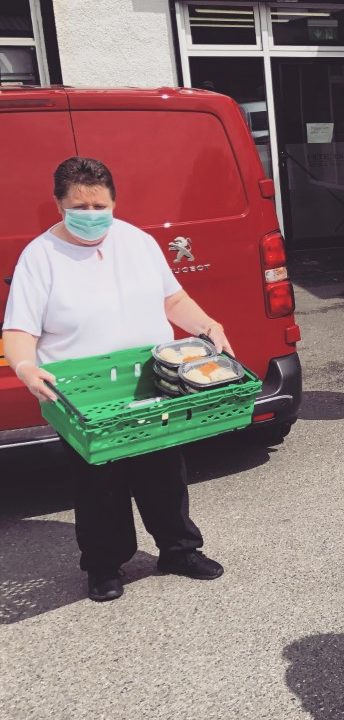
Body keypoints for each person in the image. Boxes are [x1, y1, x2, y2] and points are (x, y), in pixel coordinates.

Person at [2, 157, 228, 602]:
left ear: (114, 202)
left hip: (150, 381)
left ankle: (179, 550)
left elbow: (173, 299)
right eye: (78, 207)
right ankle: (104, 565)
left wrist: (207, 324)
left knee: (164, 470)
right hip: (85, 393)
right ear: (58, 204)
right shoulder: (40, 257)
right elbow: (18, 330)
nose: (90, 215)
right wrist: (25, 366)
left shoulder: (138, 242)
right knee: (98, 481)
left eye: (99, 206)